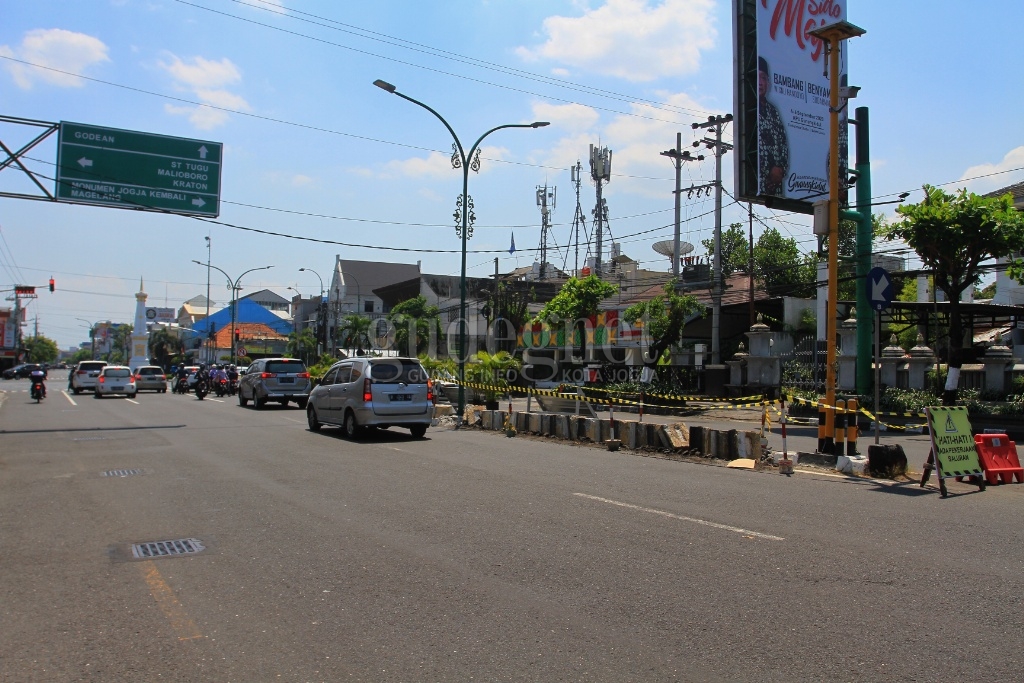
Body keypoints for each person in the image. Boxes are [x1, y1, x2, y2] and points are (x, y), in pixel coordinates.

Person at [757, 56, 789, 197]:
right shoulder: (746, 110)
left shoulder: (773, 111)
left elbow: (783, 143)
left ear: (768, 82)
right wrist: (767, 171)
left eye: (763, 77)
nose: (760, 83)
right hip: (758, 182)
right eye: (756, 77)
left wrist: (780, 170)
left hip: (776, 186)